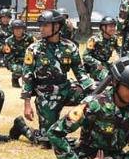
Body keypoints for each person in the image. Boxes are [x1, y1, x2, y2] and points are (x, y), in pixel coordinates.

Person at [20, 11, 94, 144]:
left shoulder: (70, 47)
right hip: (46, 94)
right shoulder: (34, 49)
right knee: (47, 140)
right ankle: (22, 127)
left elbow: (80, 73)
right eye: (40, 25)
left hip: (66, 89)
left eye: (45, 25)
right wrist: (27, 104)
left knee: (95, 100)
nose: (41, 28)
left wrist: (95, 89)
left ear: (57, 26)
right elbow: (27, 77)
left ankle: (89, 137)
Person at [83, 13, 122, 79]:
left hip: (106, 64)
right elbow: (85, 56)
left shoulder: (114, 39)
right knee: (109, 79)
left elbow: (120, 51)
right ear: (103, 28)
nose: (113, 29)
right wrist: (97, 63)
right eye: (110, 26)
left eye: (114, 26)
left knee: (122, 75)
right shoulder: (94, 39)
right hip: (95, 67)